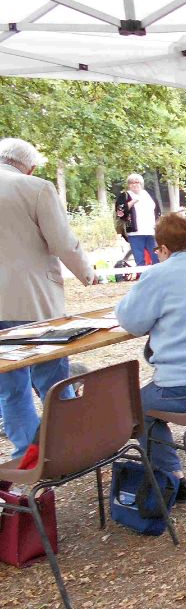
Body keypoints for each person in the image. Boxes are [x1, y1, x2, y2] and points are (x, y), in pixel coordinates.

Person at [114, 213, 186, 498]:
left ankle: (171, 476)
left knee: (138, 407)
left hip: (182, 387)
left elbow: (131, 321)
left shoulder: (159, 274)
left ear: (164, 248)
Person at [0, 138, 98, 460]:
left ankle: (28, 453)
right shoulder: (36, 188)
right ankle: (68, 444)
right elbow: (63, 242)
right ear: (30, 166)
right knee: (52, 375)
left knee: (9, 384)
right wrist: (87, 273)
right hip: (33, 300)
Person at [114, 173, 159, 266]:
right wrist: (131, 203)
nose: (134, 184)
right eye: (131, 183)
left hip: (151, 232)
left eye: (136, 182)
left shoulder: (149, 194)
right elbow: (120, 213)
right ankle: (142, 277)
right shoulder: (124, 196)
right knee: (140, 260)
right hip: (134, 234)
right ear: (128, 185)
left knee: (157, 256)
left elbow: (157, 211)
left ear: (141, 183)